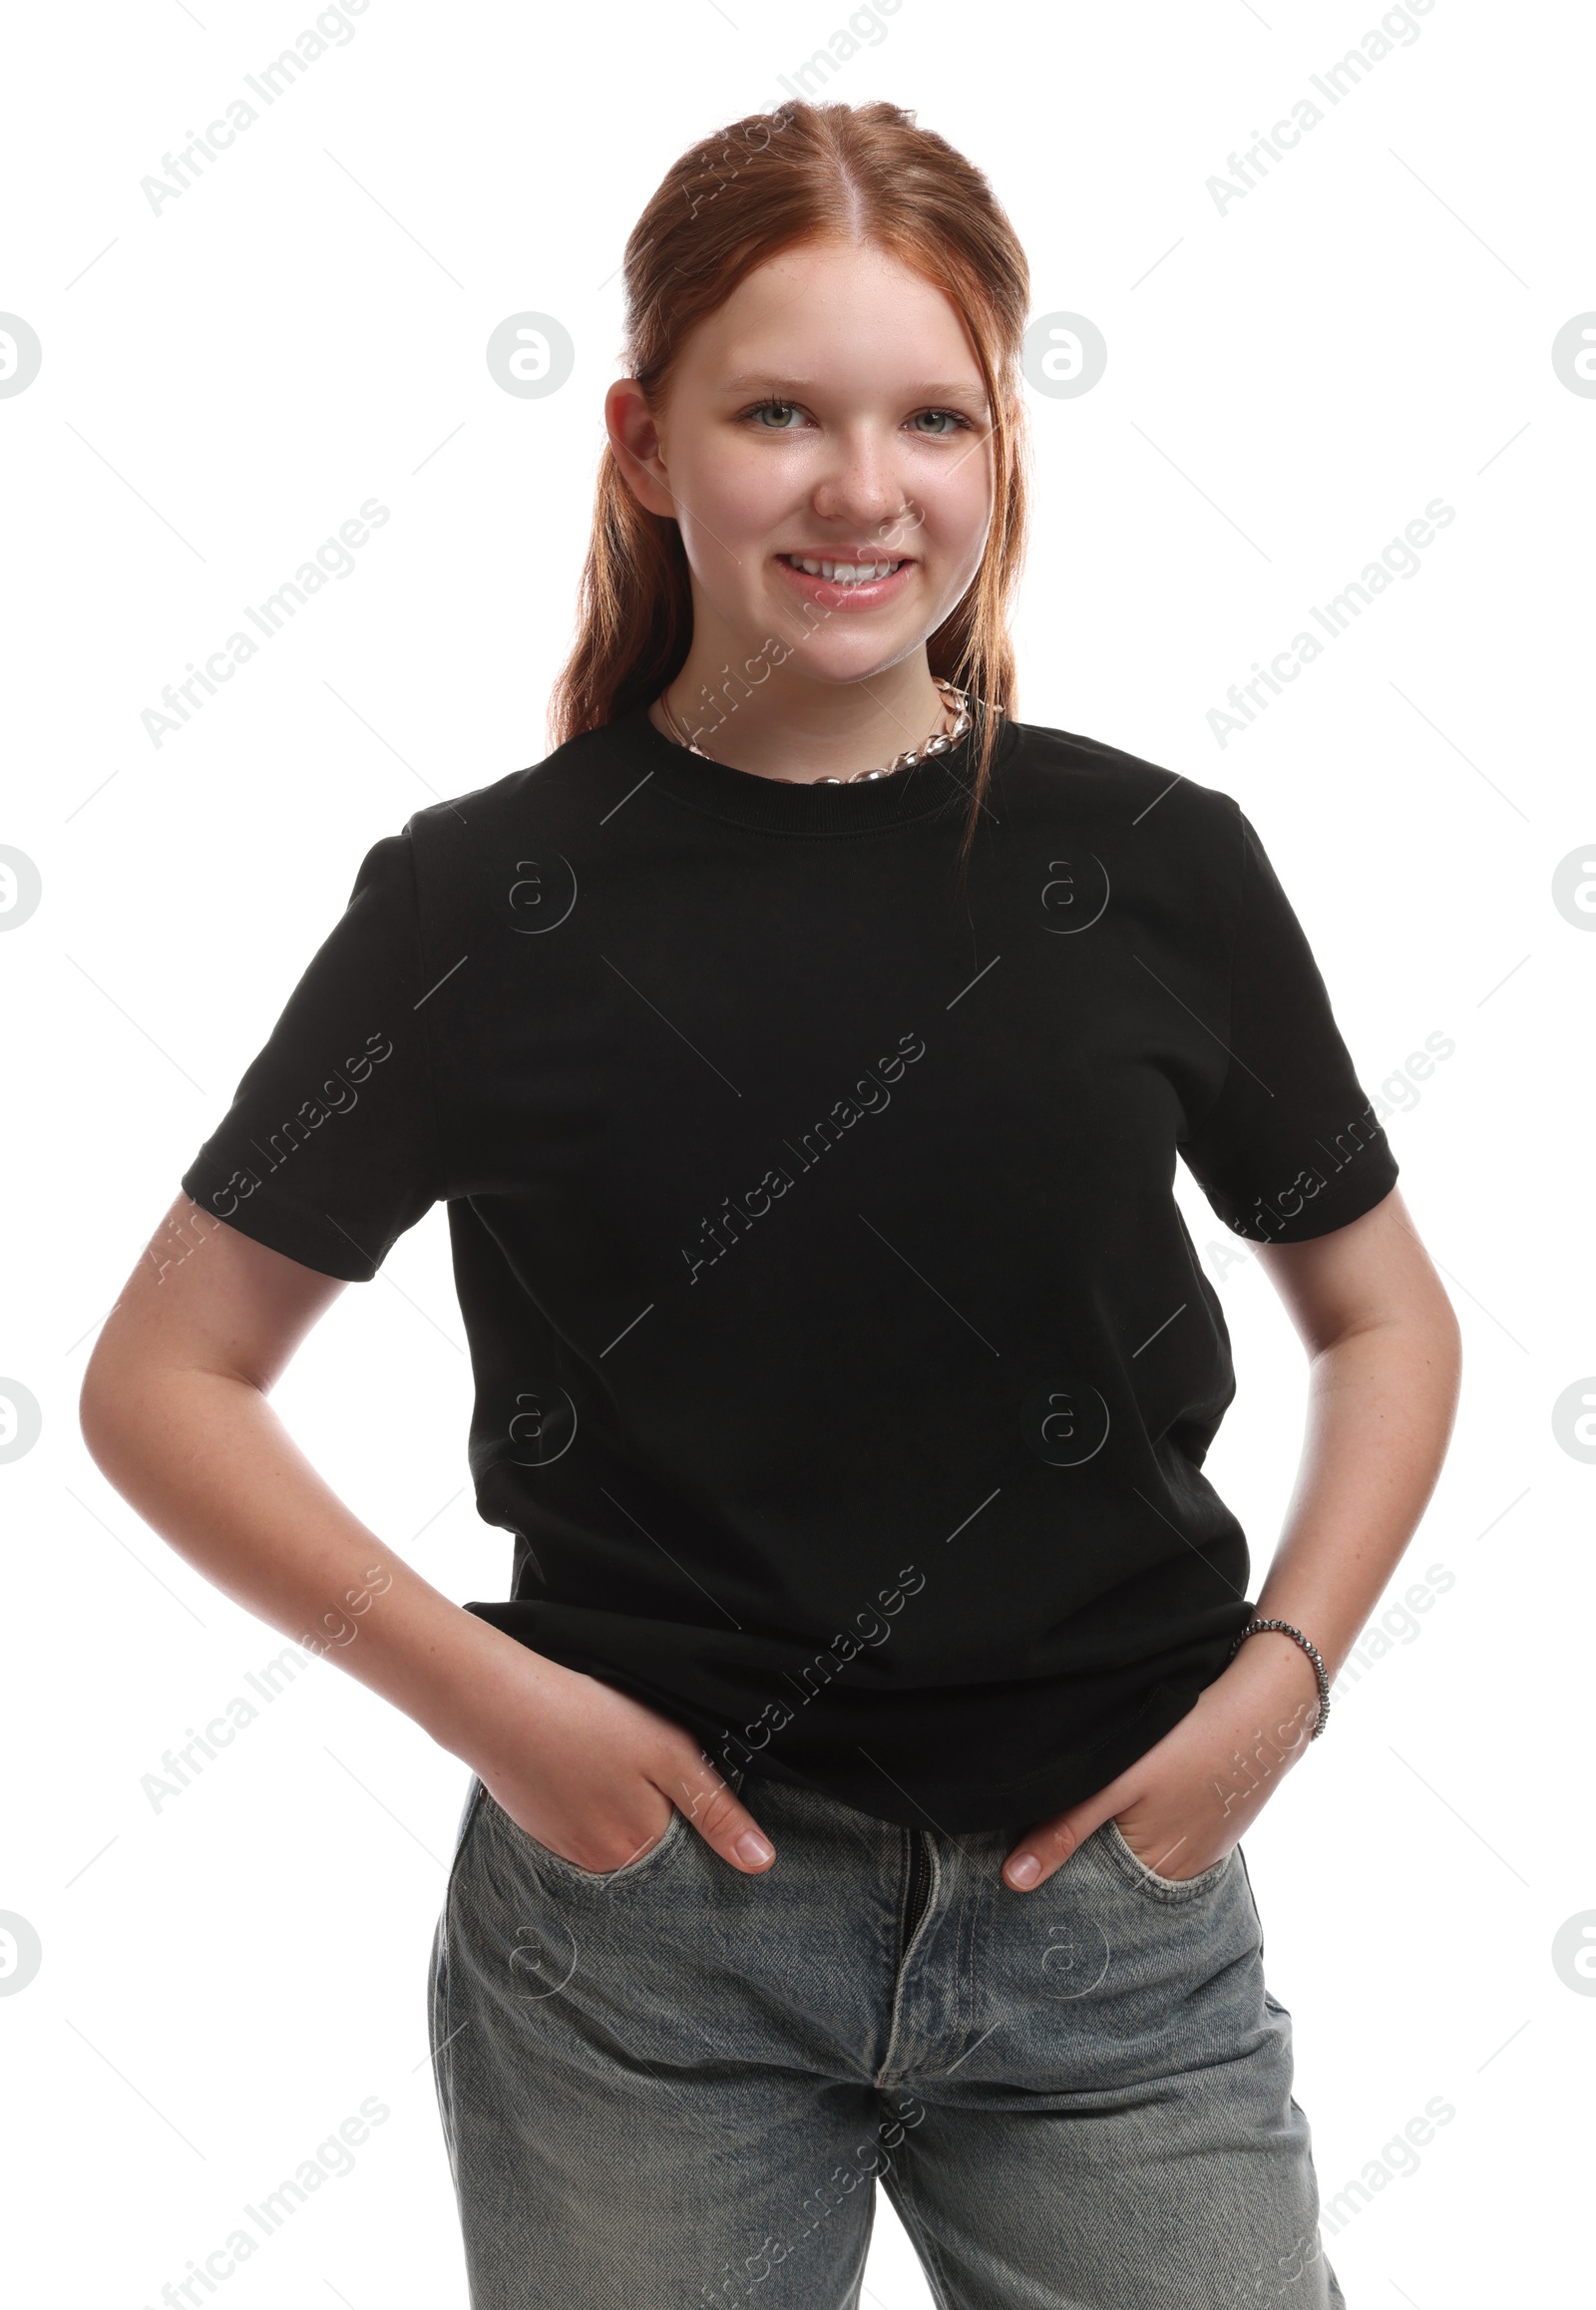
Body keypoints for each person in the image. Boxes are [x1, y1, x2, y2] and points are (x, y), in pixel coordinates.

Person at [80, 99, 1461, 2310]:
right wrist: (488, 1704)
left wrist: (1280, 1686)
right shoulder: (483, 904)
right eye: (777, 413)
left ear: (1000, 446)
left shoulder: (1149, 864)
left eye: (932, 416)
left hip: (1108, 1918)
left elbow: (1382, 1319)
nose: (859, 486)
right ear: (641, 443)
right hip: (646, 1953)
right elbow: (165, 1379)